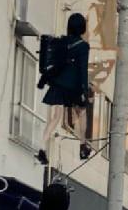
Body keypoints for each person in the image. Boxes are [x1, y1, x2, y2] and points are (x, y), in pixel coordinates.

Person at [37, 12, 92, 164]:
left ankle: (42, 147)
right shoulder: (83, 46)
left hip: (58, 84)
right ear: (82, 28)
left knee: (56, 117)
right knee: (82, 113)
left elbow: (54, 62)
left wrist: (44, 80)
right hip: (73, 86)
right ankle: (82, 145)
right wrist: (84, 91)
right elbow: (82, 70)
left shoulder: (61, 42)